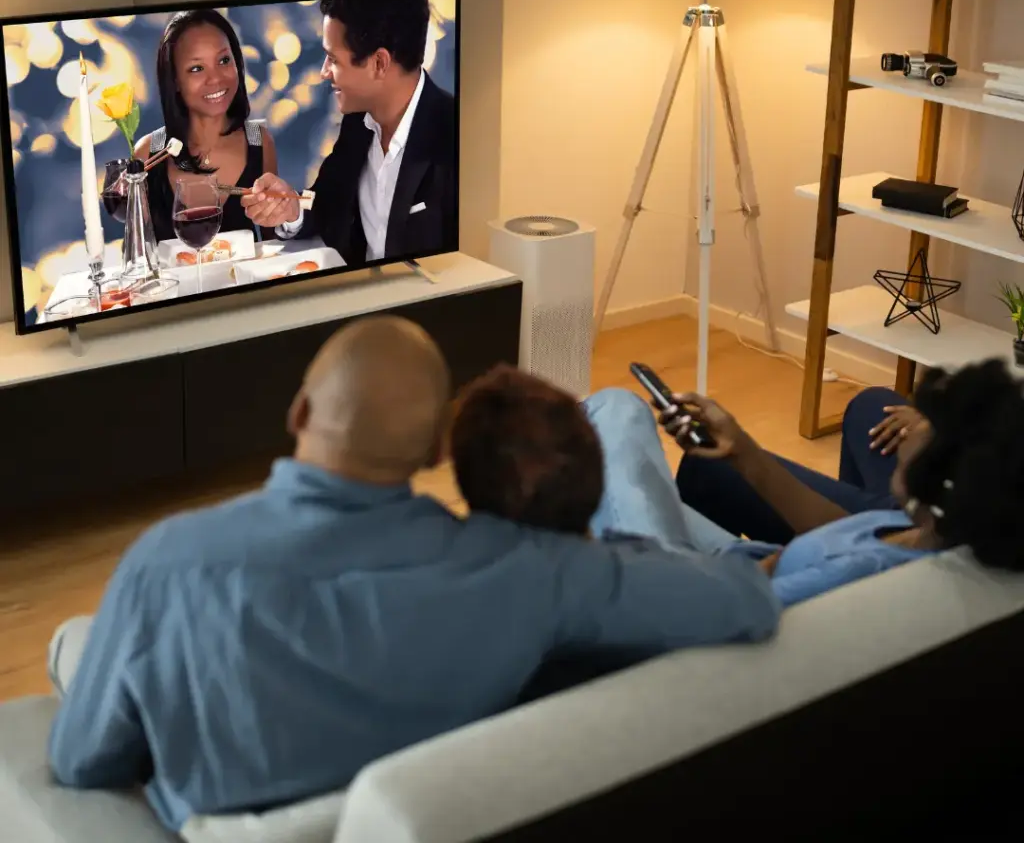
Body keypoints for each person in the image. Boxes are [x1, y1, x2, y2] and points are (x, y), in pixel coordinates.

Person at [46, 317, 778, 834]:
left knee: (78, 647)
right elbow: (744, 599)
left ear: (298, 411)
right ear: (436, 450)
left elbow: (80, 761)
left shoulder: (167, 563)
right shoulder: (533, 571)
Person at [451, 362, 1024, 611]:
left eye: (932, 427)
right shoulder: (928, 533)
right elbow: (846, 531)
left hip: (685, 585)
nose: (915, 423)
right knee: (622, 443)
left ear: (941, 482)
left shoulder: (861, 578)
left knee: (616, 412)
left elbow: (716, 611)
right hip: (739, 565)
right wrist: (744, 450)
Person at [241, 0, 457, 265]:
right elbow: (326, 204)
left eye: (333, 59)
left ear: (379, 63)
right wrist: (292, 207)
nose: (323, 72)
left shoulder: (455, 137)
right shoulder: (358, 122)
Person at [676, 384, 925, 545]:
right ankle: (856, 505)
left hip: (881, 537)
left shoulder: (902, 552)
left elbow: (858, 545)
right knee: (871, 403)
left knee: (711, 464)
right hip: (909, 519)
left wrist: (742, 452)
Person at [133, 8, 279, 243]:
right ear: (175, 80)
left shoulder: (259, 142)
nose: (216, 79)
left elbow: (273, 246)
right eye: (197, 68)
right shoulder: (148, 153)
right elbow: (137, 251)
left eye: (224, 60)